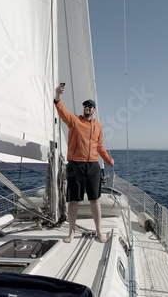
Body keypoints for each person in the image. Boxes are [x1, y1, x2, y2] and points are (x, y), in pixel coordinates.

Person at [54, 83, 114, 243]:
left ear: (94, 110)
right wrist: (57, 96)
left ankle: (99, 232)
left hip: (93, 165)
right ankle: (71, 232)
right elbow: (62, 112)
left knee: (95, 199)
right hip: (75, 165)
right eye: (85, 106)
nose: (86, 108)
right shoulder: (74, 121)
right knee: (74, 200)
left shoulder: (98, 126)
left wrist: (108, 160)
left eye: (90, 106)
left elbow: (99, 145)